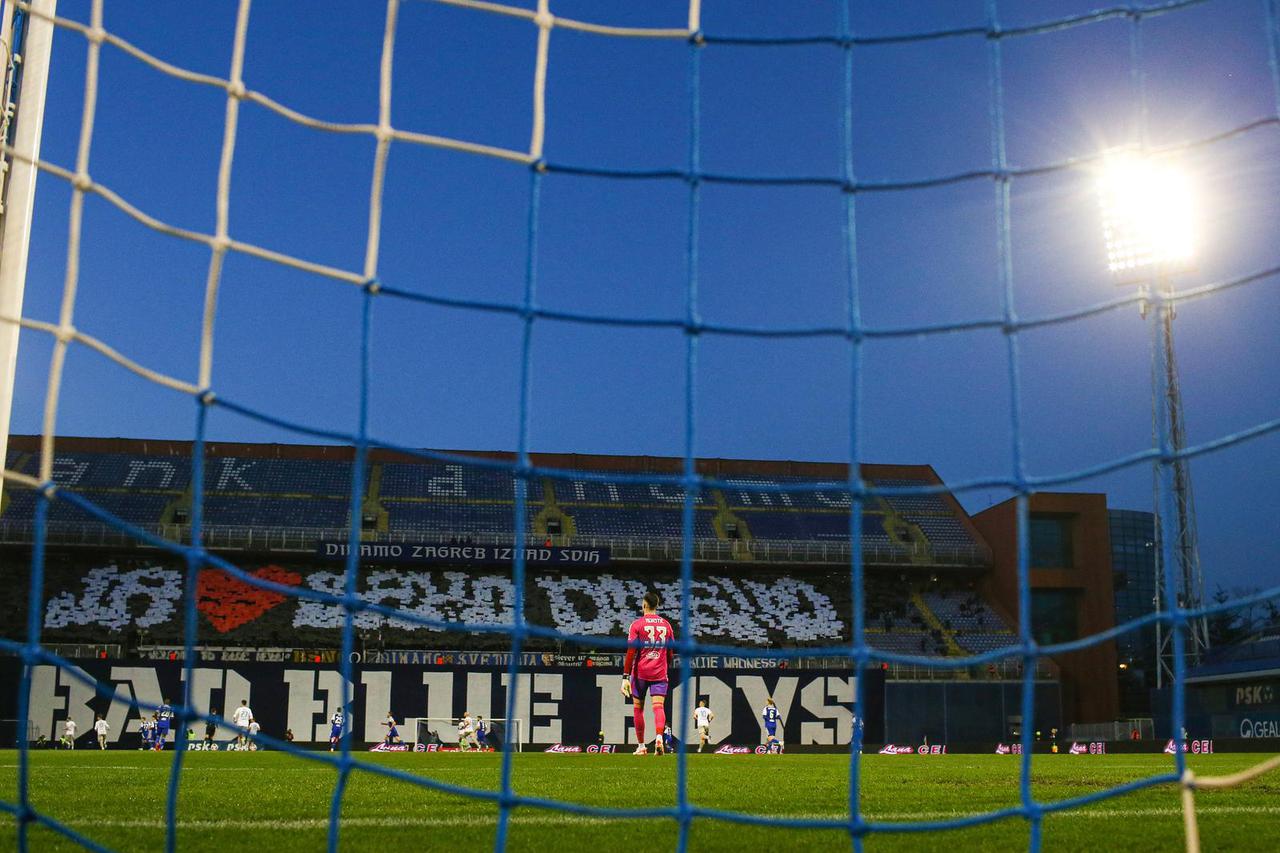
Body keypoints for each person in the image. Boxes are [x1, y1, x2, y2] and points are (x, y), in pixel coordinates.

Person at [621, 590, 674, 756]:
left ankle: (642, 746)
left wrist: (625, 676)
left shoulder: (637, 625)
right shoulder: (666, 625)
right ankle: (659, 736)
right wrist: (665, 665)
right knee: (658, 707)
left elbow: (631, 652)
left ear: (644, 605)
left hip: (640, 673)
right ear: (657, 606)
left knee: (638, 708)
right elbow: (671, 652)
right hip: (659, 673)